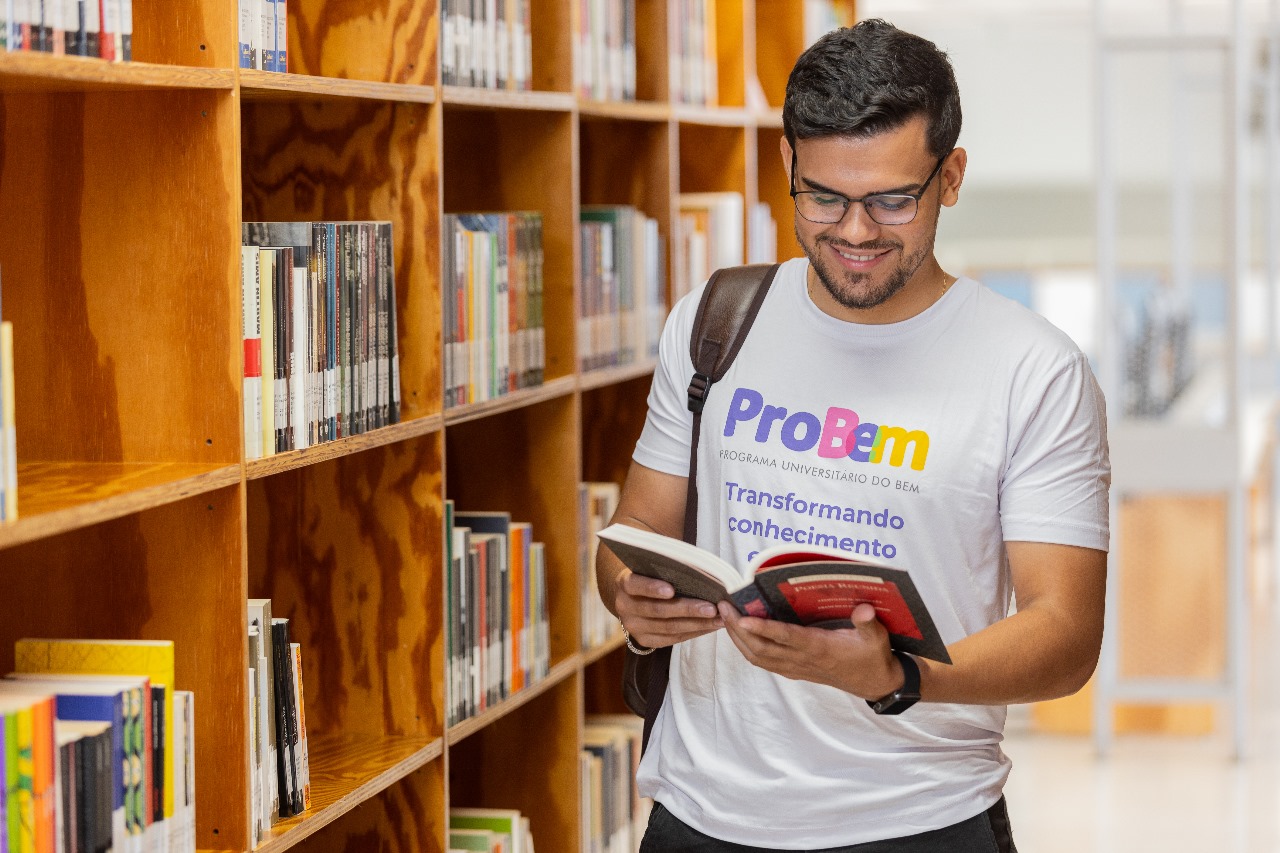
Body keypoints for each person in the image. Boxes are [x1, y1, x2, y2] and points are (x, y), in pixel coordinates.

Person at [595, 18, 1111, 853]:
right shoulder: (715, 322)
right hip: (698, 815)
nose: (856, 232)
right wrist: (630, 594)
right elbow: (638, 528)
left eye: (890, 200)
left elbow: (1065, 634)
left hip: (919, 820)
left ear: (951, 178)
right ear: (789, 170)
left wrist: (900, 677)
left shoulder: (1034, 369)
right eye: (825, 196)